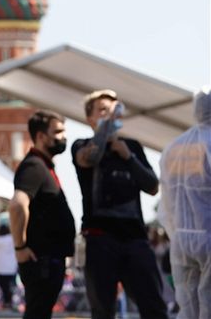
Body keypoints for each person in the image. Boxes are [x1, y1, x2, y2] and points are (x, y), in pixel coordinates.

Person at [72, 89, 168, 319]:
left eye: (114, 109)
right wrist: (106, 135)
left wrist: (128, 157)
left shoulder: (132, 147)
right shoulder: (82, 145)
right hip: (99, 239)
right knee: (103, 309)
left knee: (153, 305)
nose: (110, 115)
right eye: (103, 110)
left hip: (135, 238)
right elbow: (88, 159)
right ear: (90, 119)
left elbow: (152, 185)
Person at [8, 110, 75, 319]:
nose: (63, 137)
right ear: (40, 136)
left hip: (48, 259)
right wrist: (20, 247)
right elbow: (17, 205)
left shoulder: (43, 166)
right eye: (57, 132)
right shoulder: (33, 166)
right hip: (41, 260)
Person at [158, 87, 211, 319]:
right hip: (209, 236)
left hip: (180, 239)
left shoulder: (174, 147)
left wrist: (175, 233)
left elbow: (166, 200)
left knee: (188, 307)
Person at [0, 220, 18, 310]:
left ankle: (6, 303)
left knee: (4, 287)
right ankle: (11, 303)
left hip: (2, 269)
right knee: (12, 287)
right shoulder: (13, 238)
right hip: (12, 267)